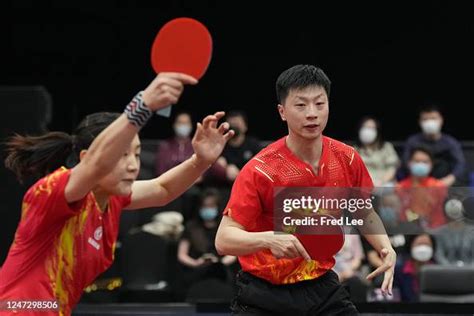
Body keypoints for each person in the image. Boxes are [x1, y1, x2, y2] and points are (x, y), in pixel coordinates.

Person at [0, 72, 234, 315]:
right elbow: (96, 165)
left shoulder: (111, 200)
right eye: (122, 155)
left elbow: (162, 189)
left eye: (136, 153)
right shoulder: (51, 192)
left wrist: (200, 161)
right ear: (84, 158)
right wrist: (142, 106)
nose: (133, 165)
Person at [215, 65, 396, 315]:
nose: (312, 114)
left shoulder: (348, 159)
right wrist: (269, 238)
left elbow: (363, 212)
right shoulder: (260, 170)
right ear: (282, 112)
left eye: (319, 104)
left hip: (321, 286)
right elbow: (224, 240)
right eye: (301, 105)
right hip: (264, 293)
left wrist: (386, 248)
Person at [176, 188, 236, 300]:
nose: (208, 209)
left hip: (221, 270)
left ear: (217, 207)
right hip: (197, 270)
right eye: (205, 206)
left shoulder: (225, 226)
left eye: (211, 206)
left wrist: (220, 263)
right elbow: (182, 255)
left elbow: (234, 253)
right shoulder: (191, 227)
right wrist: (195, 263)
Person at [401, 104, 466, 186]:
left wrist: (450, 179)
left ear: (441, 120)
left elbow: (460, 164)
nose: (429, 122)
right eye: (425, 119)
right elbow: (405, 163)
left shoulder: (450, 142)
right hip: (418, 184)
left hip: (444, 184)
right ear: (420, 122)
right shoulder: (413, 142)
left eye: (433, 118)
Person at [396, 145, 447, 229]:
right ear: (409, 163)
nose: (420, 164)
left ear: (431, 165)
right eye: (416, 161)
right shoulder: (399, 188)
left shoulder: (439, 187)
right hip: (407, 230)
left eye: (425, 162)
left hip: (435, 229)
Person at [355, 116, 399, 187]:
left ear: (377, 131)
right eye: (365, 127)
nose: (368, 131)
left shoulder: (387, 147)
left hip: (382, 184)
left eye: (371, 128)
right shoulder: (353, 149)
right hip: (361, 185)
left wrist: (381, 182)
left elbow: (392, 169)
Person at [222, 111, 263, 182]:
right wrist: (223, 168)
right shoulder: (221, 146)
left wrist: (240, 174)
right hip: (225, 187)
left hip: (249, 183)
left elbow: (261, 168)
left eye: (237, 124)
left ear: (245, 127)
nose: (234, 127)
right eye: (231, 125)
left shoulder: (253, 144)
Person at [395, 233, 436, 302]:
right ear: (411, 246)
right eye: (419, 244)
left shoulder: (437, 271)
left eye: (426, 245)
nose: (423, 249)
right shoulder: (399, 270)